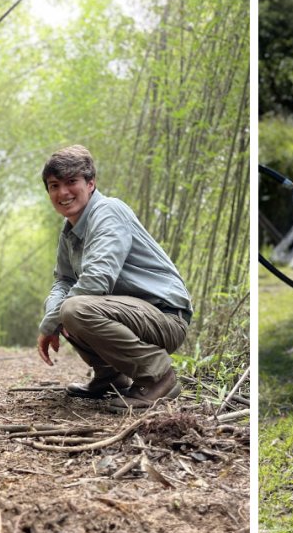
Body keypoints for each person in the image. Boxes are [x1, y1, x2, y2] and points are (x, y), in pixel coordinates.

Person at [36, 145, 193, 413]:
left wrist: (50, 324)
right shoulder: (70, 230)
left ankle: (158, 377)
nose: (62, 192)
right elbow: (63, 280)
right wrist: (51, 316)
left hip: (166, 317)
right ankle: (110, 377)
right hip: (131, 314)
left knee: (73, 308)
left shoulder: (108, 212)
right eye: (54, 185)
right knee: (59, 303)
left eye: (71, 182)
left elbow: (96, 283)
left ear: (91, 183)